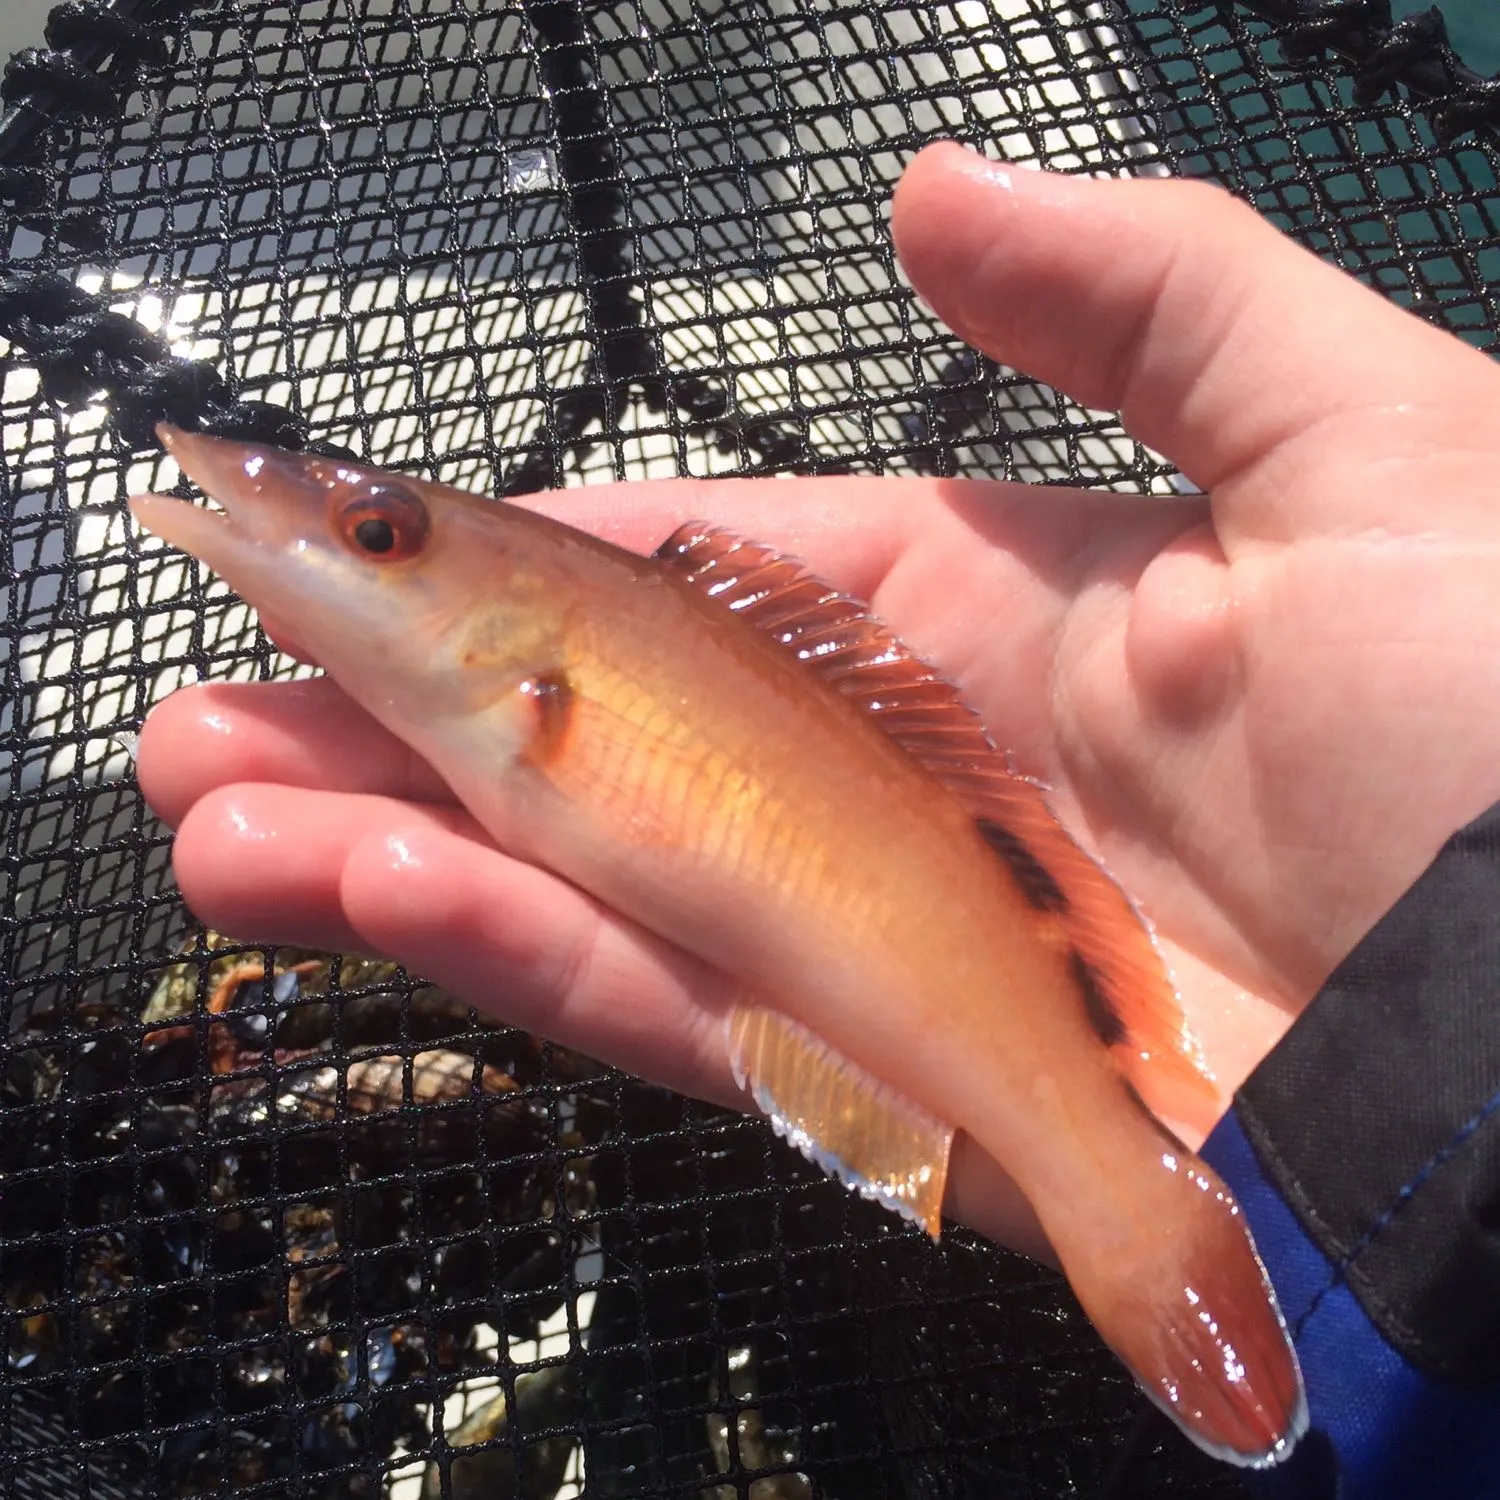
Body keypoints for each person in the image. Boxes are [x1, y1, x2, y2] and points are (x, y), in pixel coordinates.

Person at [135, 142, 1500, 1497]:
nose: (341, 537)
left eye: (381, 537)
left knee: (1108, 1185)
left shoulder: (530, 694)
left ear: (528, 654)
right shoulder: (481, 696)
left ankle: (1140, 1209)